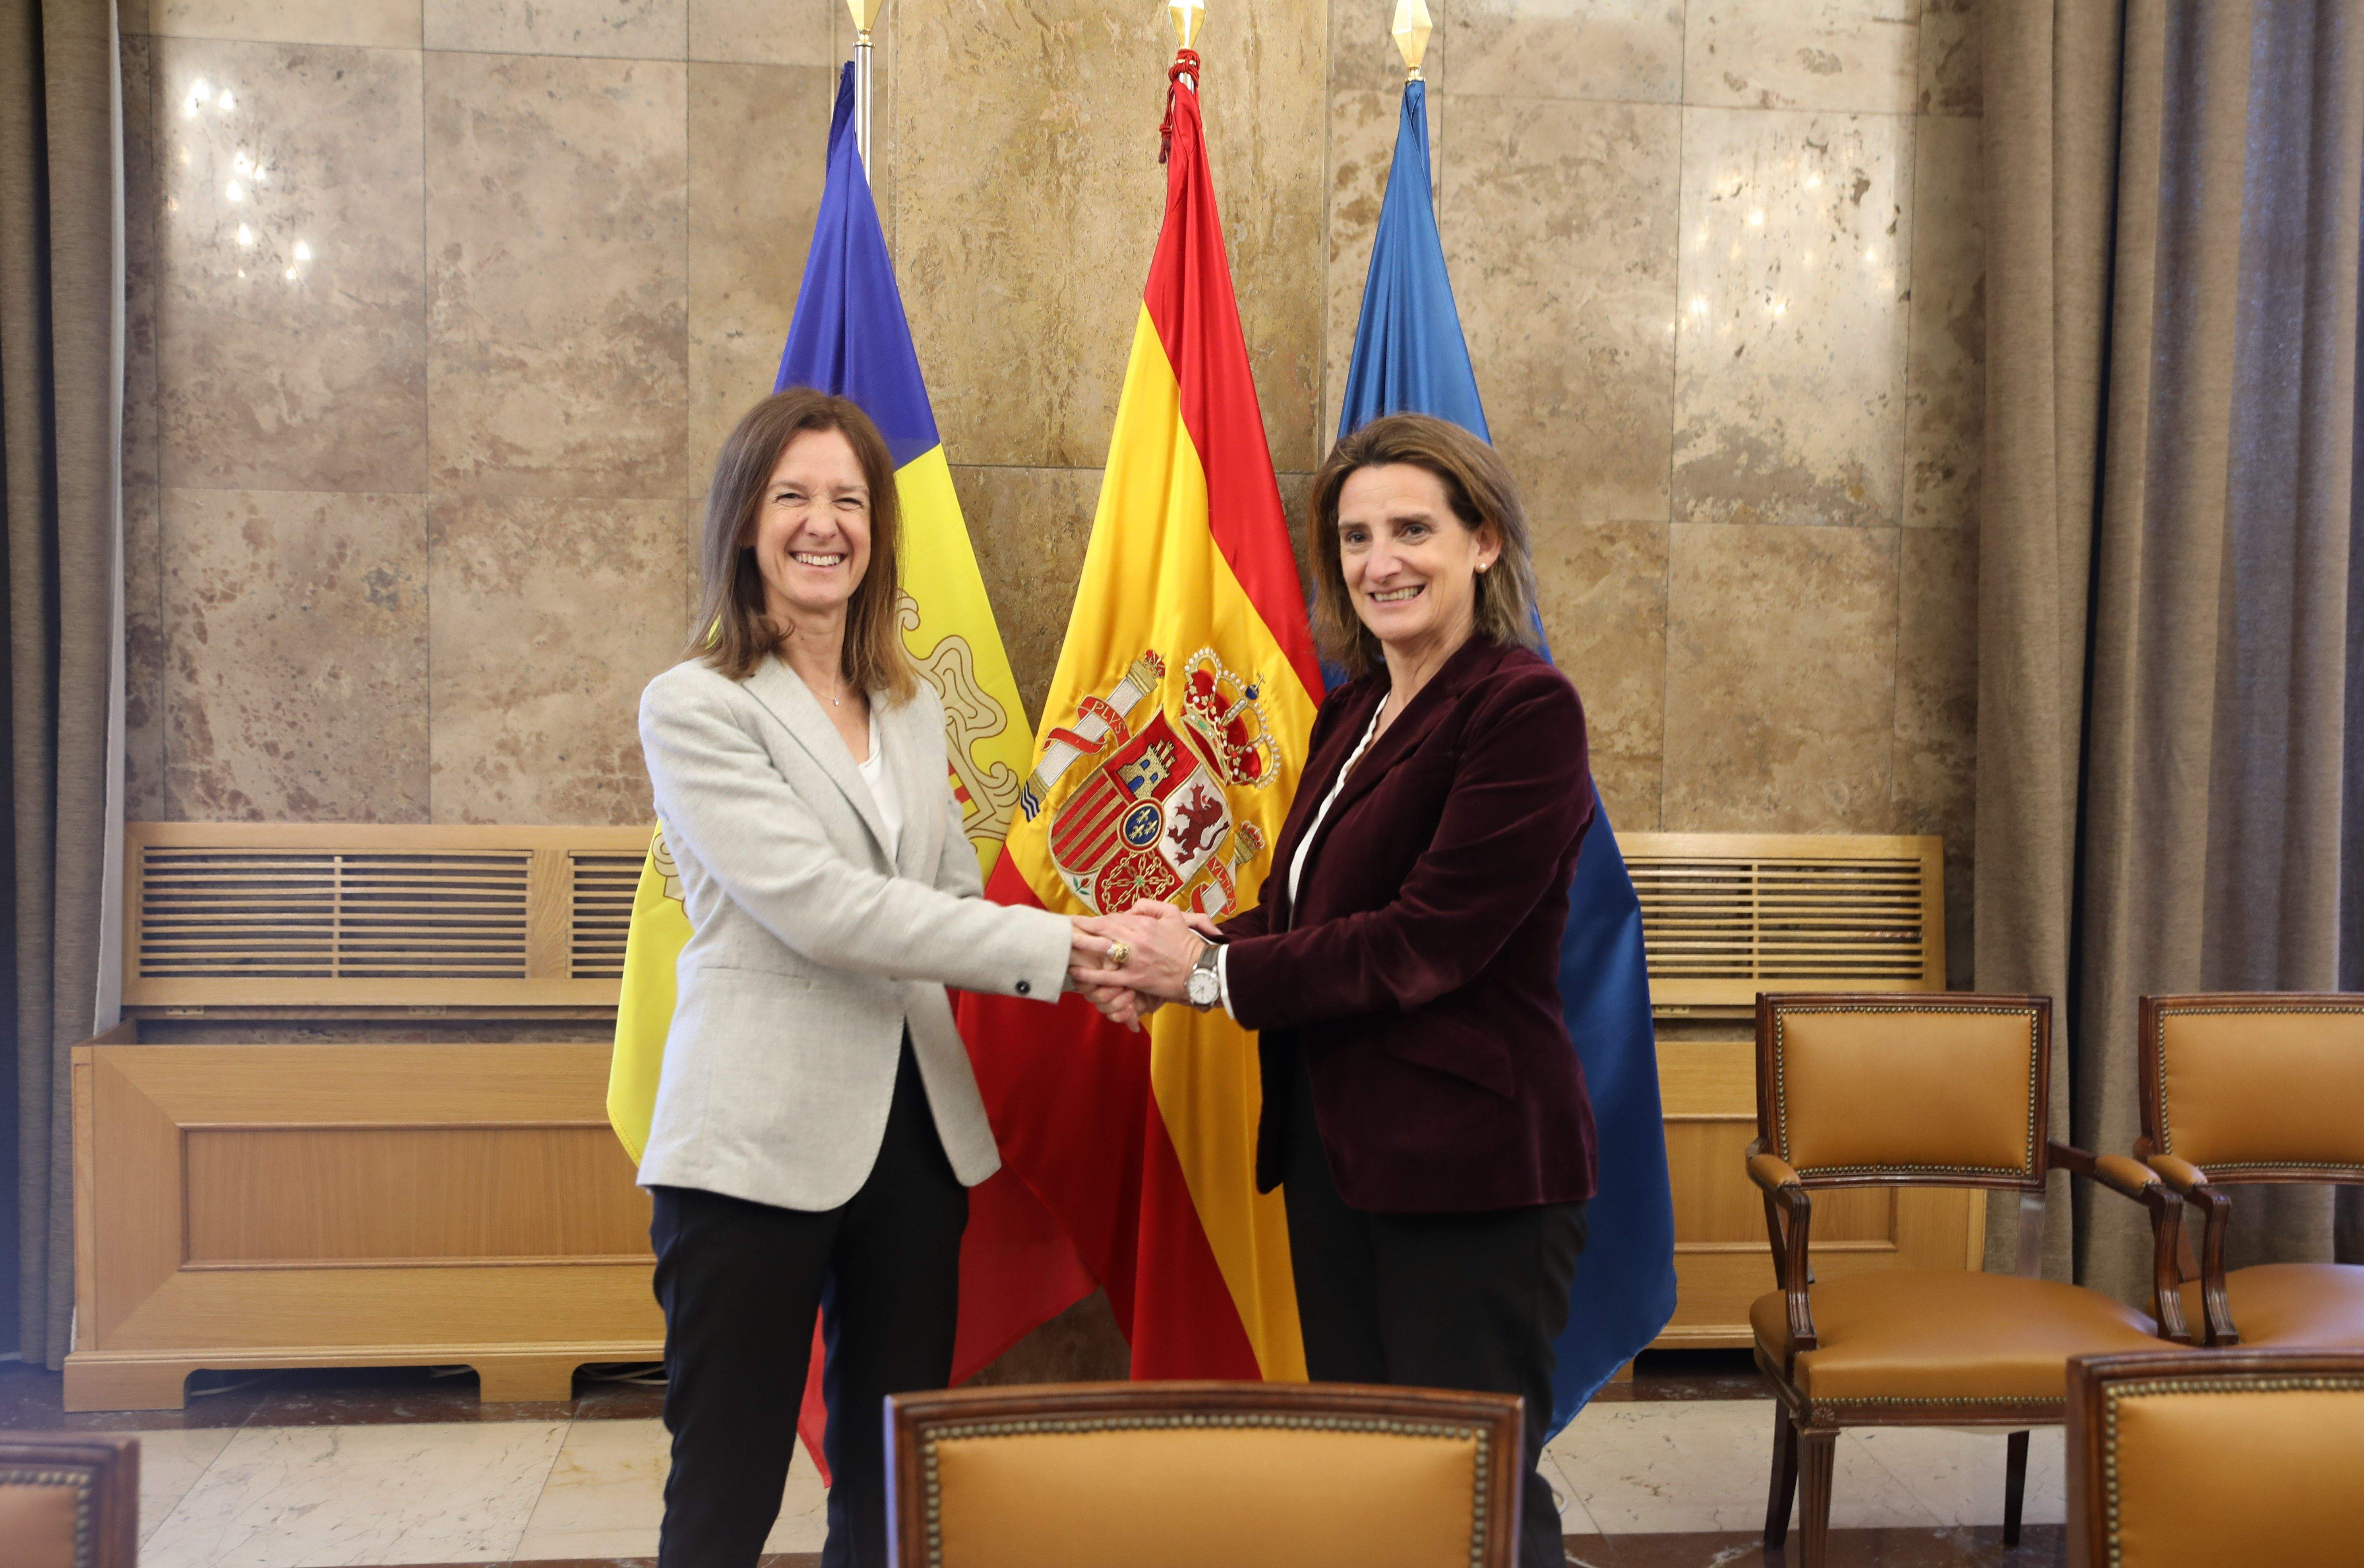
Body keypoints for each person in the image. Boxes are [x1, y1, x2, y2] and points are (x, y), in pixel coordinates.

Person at [1076, 411, 1600, 1568]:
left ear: (1485, 541)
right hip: (1339, 1154)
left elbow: (1430, 943)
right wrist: (1180, 949)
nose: (1382, 561)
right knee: (1378, 1472)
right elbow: (1312, 919)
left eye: (1413, 527)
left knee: (1478, 1489)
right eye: (1357, 537)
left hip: (1473, 1171)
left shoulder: (1523, 709)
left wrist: (1208, 973)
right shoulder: (1355, 709)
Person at [635, 388, 1117, 1568]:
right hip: (752, 1142)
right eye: (792, 495)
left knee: (894, 1476)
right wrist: (1066, 956)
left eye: (848, 499)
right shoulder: (695, 704)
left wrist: (1103, 950)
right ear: (744, 521)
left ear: (876, 528)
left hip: (916, 1137)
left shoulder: (905, 708)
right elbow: (821, 908)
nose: (822, 522)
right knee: (727, 1479)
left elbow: (949, 895)